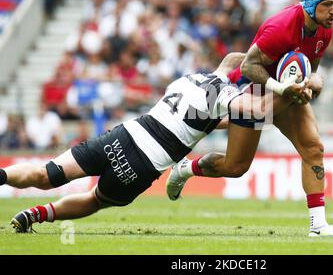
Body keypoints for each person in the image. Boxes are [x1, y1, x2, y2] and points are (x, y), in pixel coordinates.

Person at [0, 53, 305, 233]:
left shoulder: (189, 79)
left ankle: (3, 176)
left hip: (121, 137)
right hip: (142, 164)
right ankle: (36, 214)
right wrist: (287, 90)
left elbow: (225, 79)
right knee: (95, 199)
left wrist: (256, 59)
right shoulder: (223, 96)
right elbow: (254, 111)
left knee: (47, 173)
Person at [166, 0, 333, 238]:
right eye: (327, 4)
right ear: (311, 5)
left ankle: (318, 226)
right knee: (236, 167)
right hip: (253, 90)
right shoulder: (282, 26)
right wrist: (282, 88)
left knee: (314, 147)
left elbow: (309, 69)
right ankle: (188, 168)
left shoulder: (325, 28)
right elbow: (247, 66)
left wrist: (310, 85)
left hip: (284, 90)